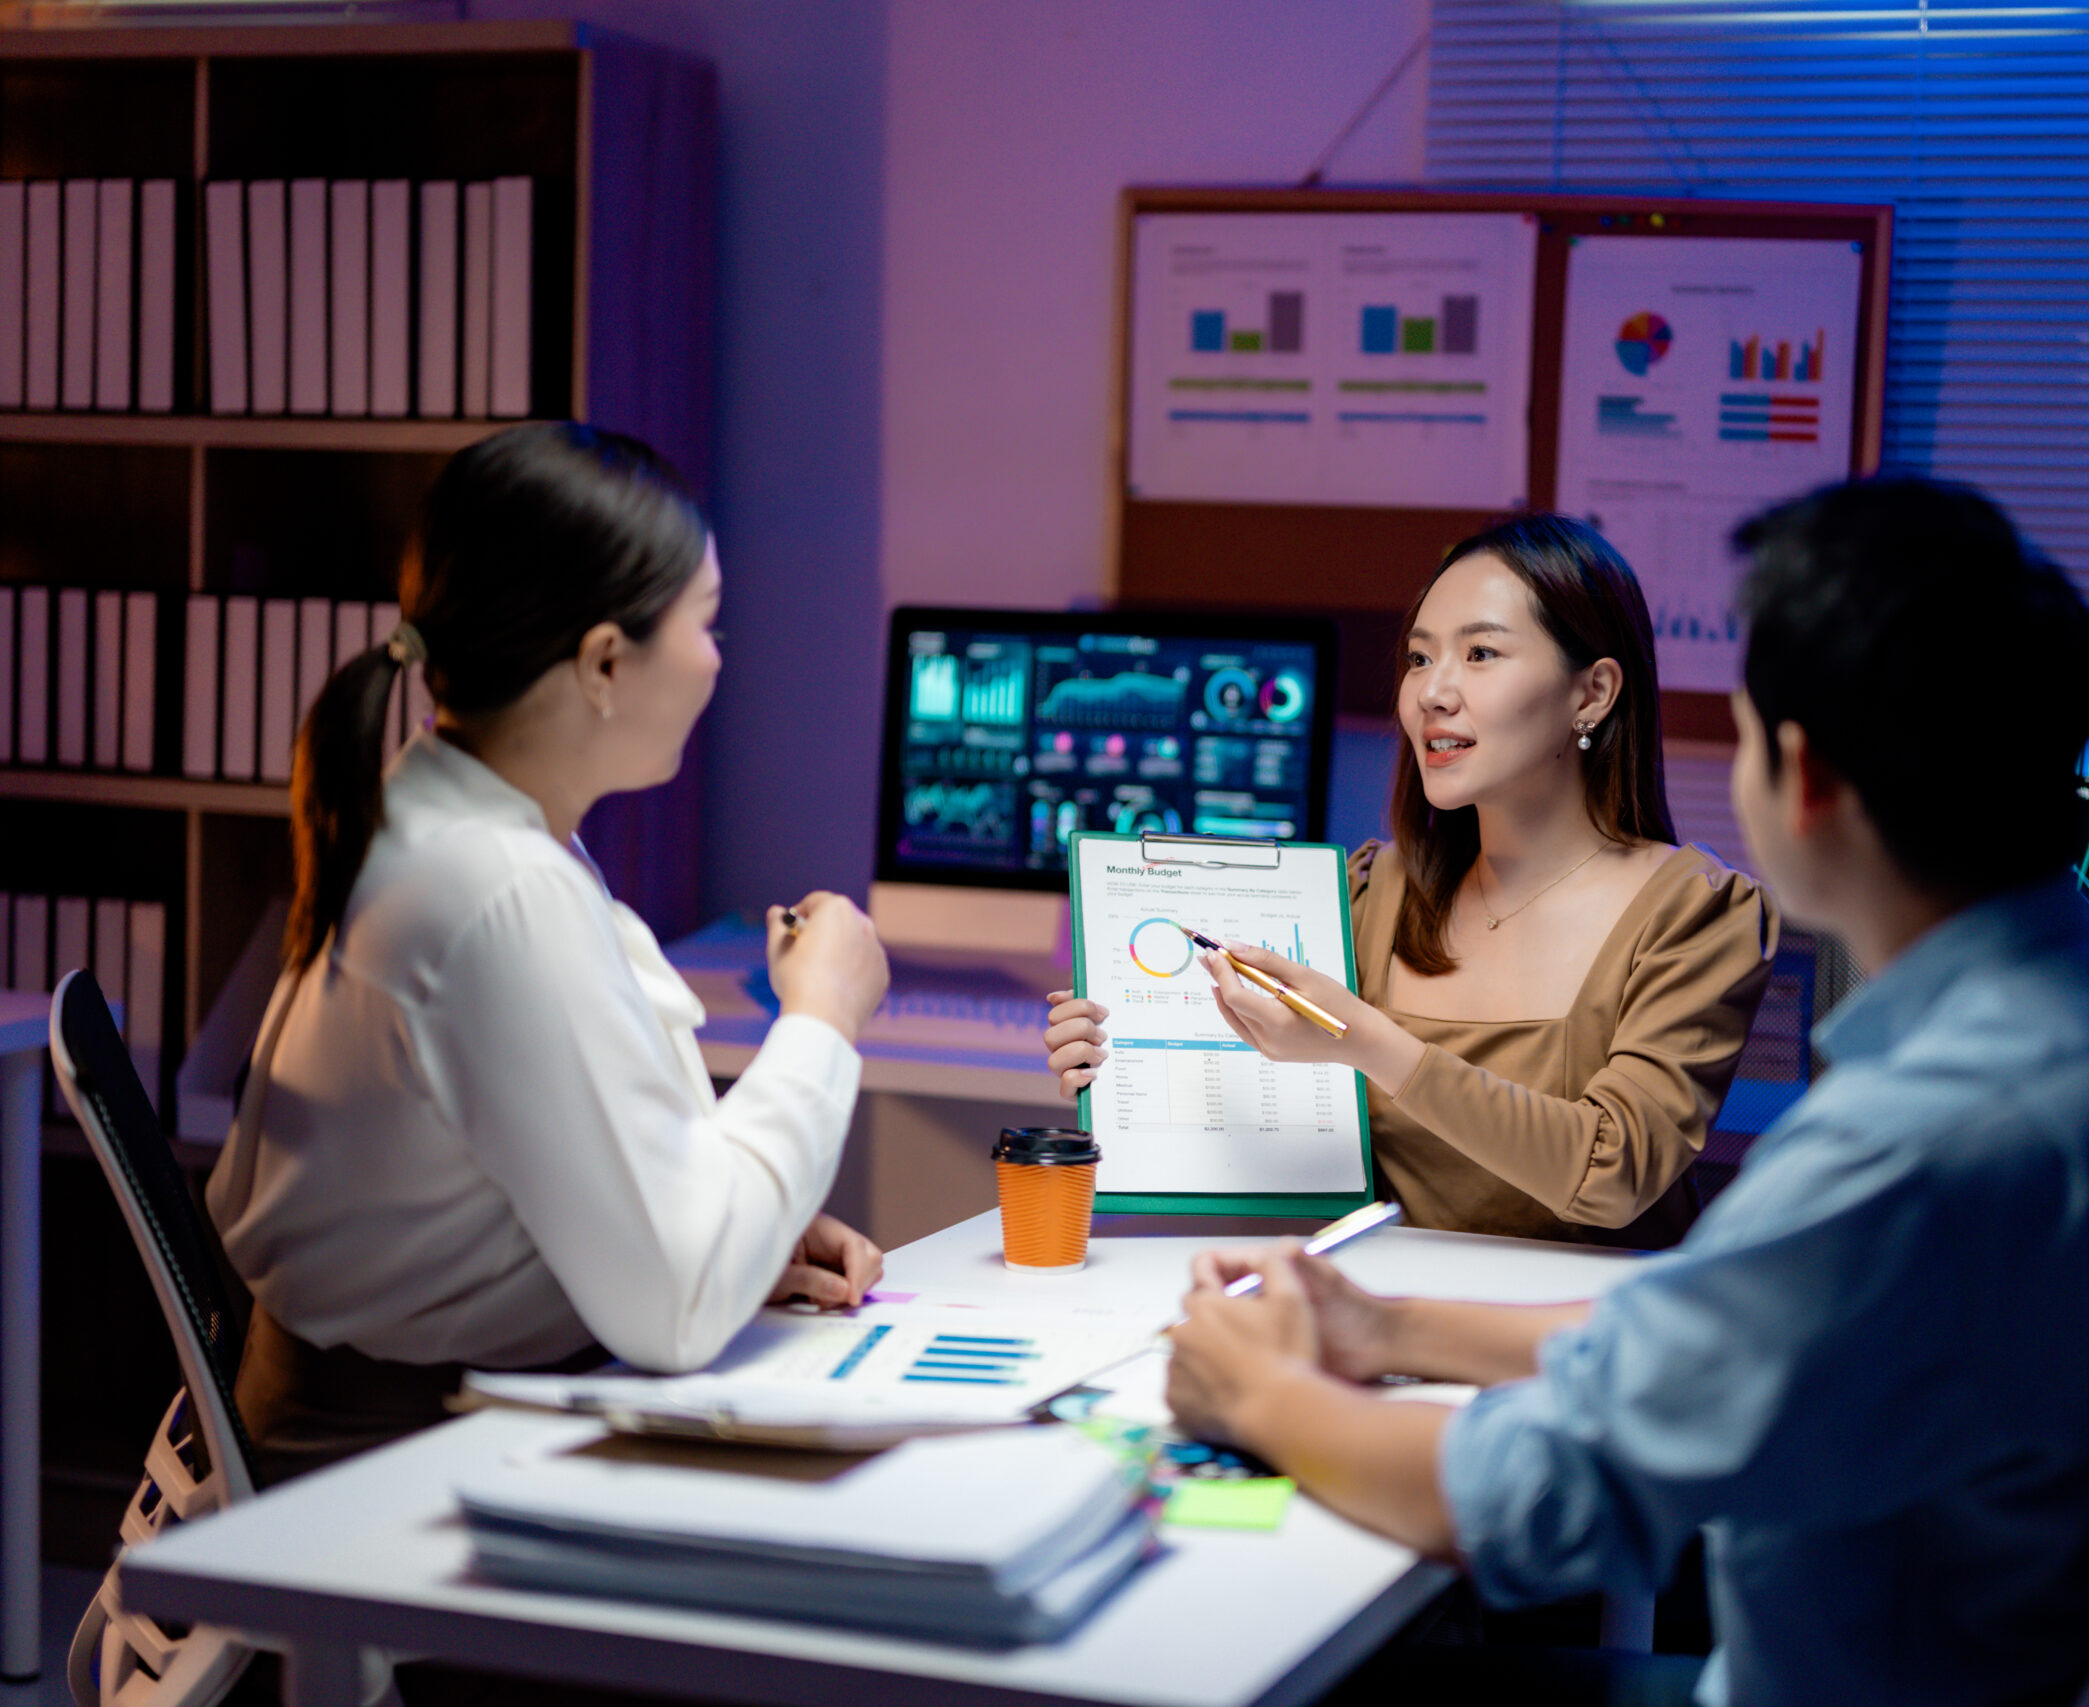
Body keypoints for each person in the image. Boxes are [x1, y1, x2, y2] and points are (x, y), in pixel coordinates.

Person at [1157, 478, 2089, 1705]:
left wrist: (1264, 1394)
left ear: (1797, 778)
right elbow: (1714, 1324)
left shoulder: (1919, 1146)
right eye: (1424, 656)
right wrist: (1386, 1327)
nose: (1436, 689)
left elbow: (1527, 1499)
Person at [209, 423, 890, 1483]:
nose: (719, 657)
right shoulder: (499, 890)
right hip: (403, 1473)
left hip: (398, 1412)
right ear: (605, 663)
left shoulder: (447, 819)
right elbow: (675, 1306)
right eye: (707, 623)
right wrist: (823, 1015)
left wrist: (743, 1218)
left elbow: (539, 1165)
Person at [1044, 515, 1775, 1246]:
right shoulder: (1370, 892)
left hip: (1590, 1343)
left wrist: (1366, 1040)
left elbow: (1614, 1172)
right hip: (1383, 1323)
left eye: (1481, 652)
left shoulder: (1697, 914)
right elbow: (1285, 1132)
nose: (1432, 691)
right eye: (1420, 658)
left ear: (1592, 694)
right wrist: (1121, 1065)